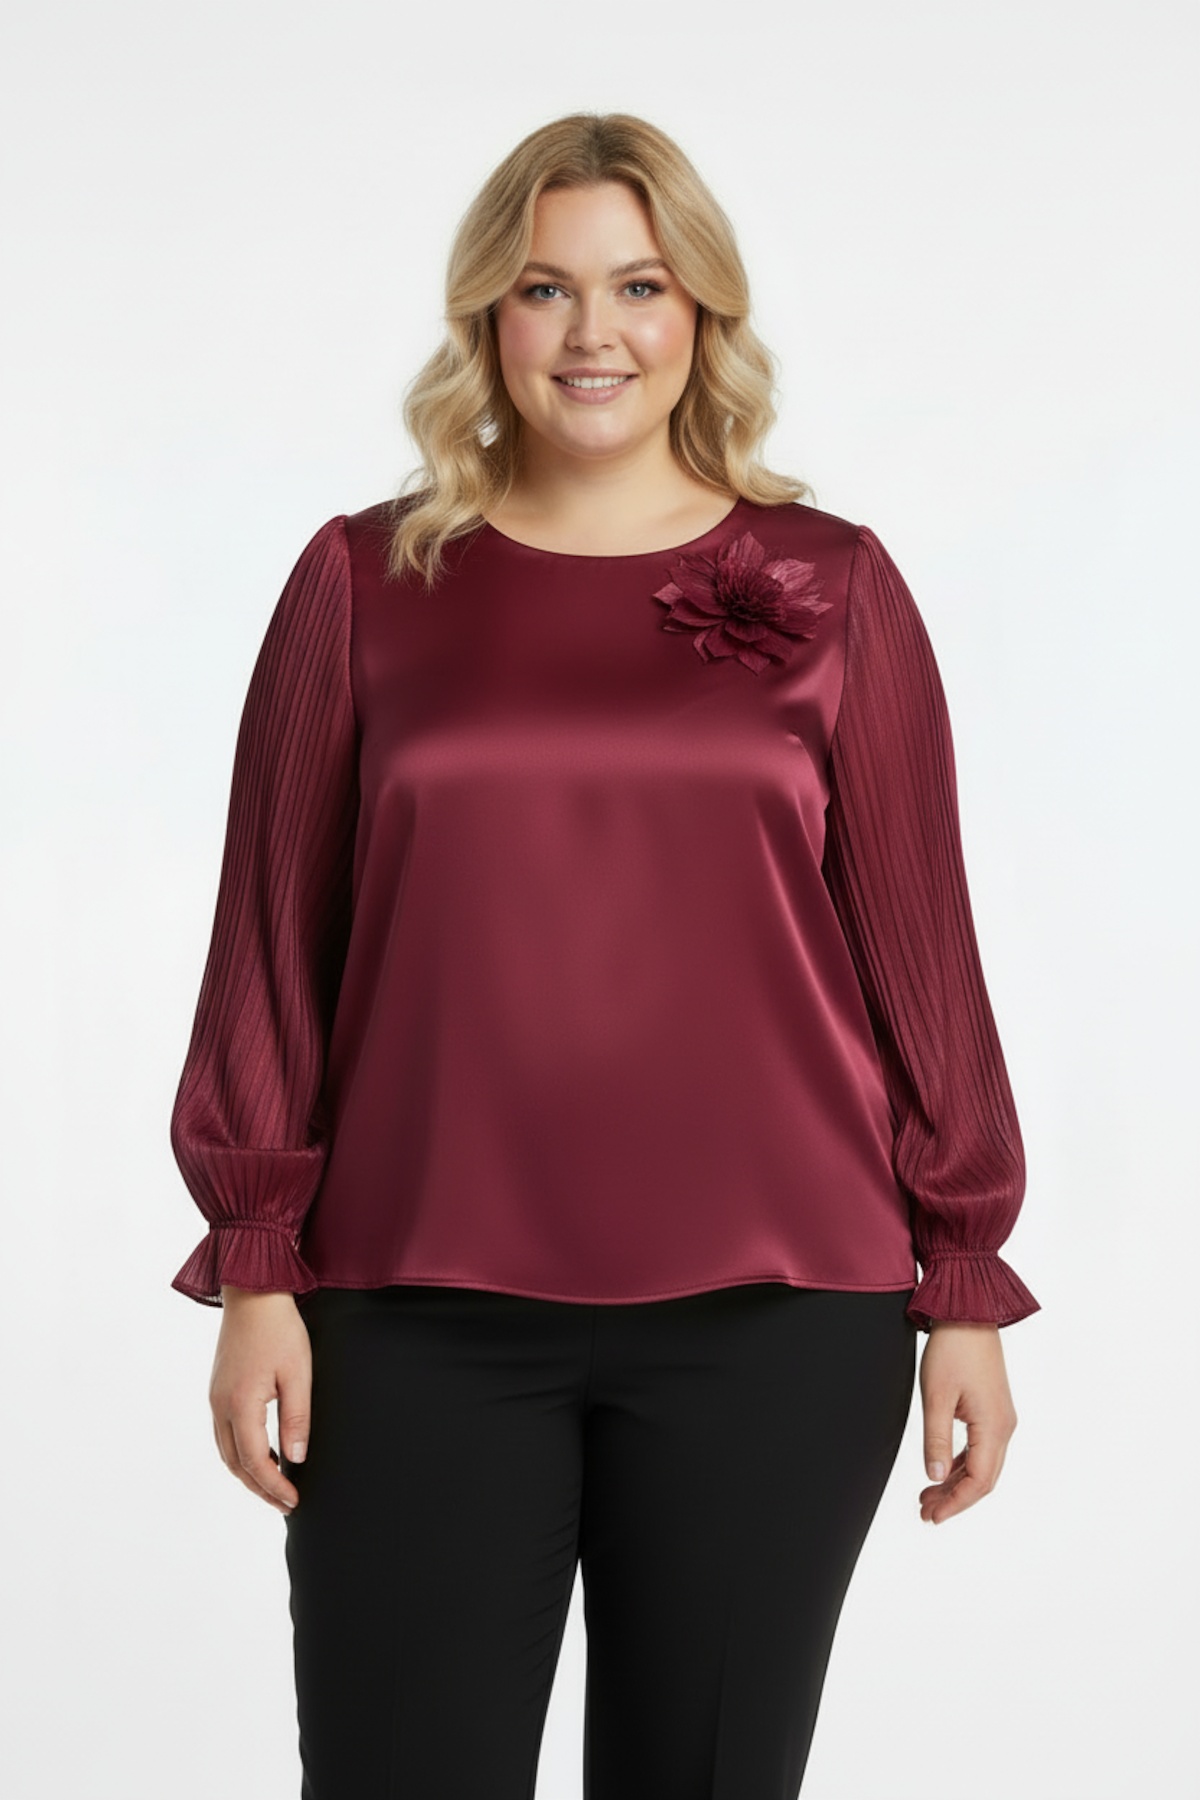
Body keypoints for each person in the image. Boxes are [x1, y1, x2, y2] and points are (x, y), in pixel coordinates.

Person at [168, 111, 1041, 1799]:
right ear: (487, 316)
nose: (594, 332)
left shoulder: (835, 586)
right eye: (545, 288)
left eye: (639, 285)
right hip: (410, 1305)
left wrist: (962, 1283)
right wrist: (257, 1259)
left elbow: (923, 952)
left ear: (701, 309)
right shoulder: (362, 581)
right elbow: (270, 942)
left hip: (783, 1312)